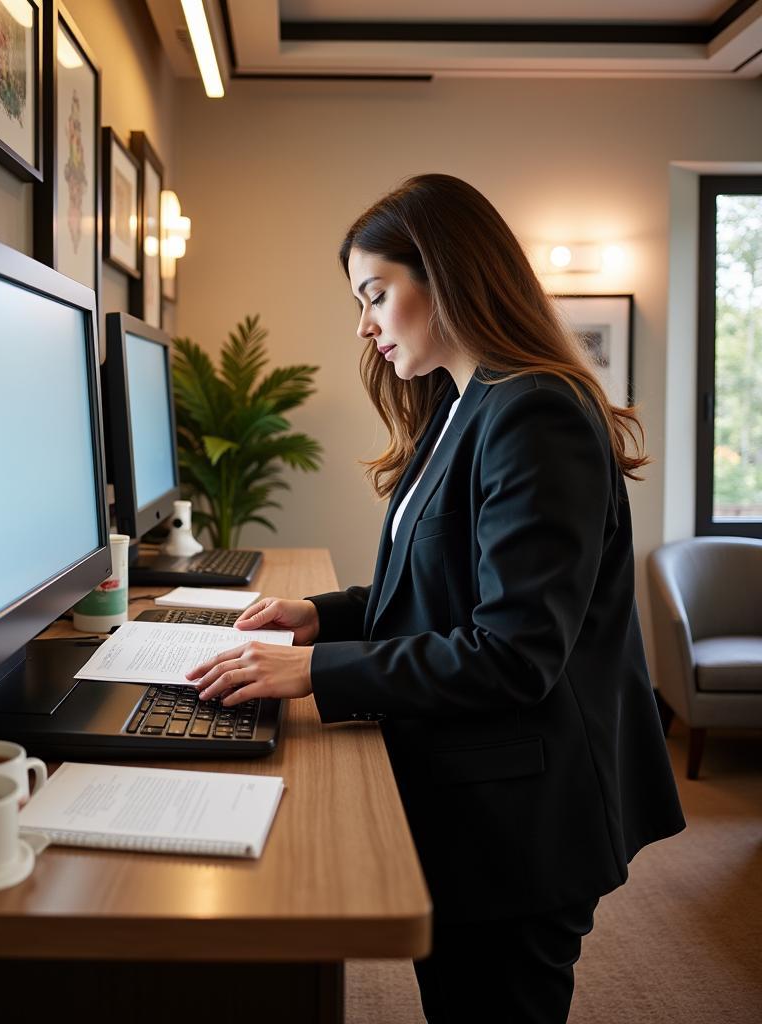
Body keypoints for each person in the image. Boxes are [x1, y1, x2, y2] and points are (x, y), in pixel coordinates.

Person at [186, 174, 686, 1023]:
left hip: (522, 816)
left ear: (446, 275)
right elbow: (440, 587)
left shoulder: (533, 413)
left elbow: (514, 652)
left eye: (376, 294)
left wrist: (315, 672)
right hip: (477, 787)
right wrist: (322, 615)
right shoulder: (465, 405)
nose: (364, 324)